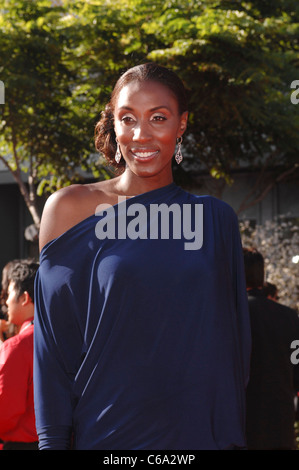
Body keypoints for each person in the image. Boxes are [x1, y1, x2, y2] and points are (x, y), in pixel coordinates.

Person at [34, 62, 251, 450]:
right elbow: (52, 346)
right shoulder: (70, 208)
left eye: (158, 118)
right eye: (128, 118)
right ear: (113, 125)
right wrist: (51, 442)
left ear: (181, 125)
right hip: (107, 435)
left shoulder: (214, 219)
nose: (141, 134)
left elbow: (232, 352)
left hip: (197, 437)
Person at [243, 247, 299, 450]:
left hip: (241, 424)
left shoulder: (230, 315)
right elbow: (297, 370)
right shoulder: (290, 317)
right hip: (281, 424)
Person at [0, 261, 39, 450]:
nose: (6, 301)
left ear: (24, 298)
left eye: (9, 294)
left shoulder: (17, 346)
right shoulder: (61, 337)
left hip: (21, 444)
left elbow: (4, 412)